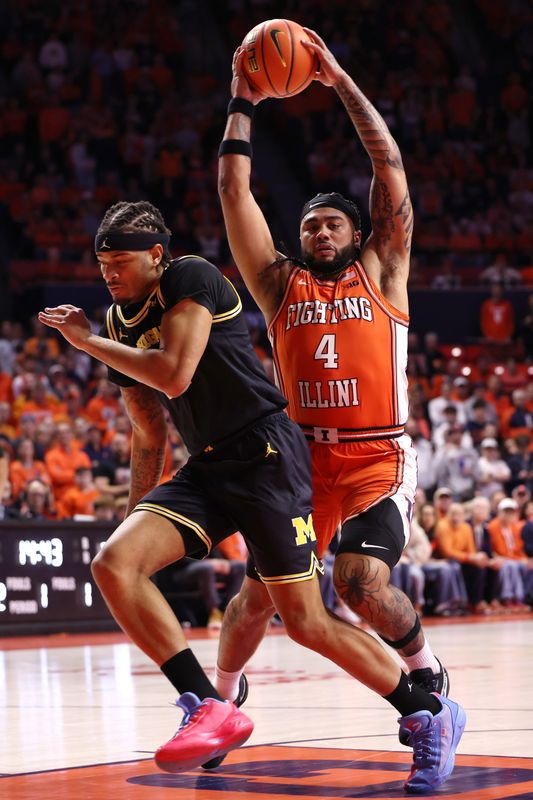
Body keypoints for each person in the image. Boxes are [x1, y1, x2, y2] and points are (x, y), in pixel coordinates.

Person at [39, 199, 465, 792]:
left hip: (266, 457)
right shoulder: (116, 322)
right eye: (102, 264)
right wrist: (139, 512)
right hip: (210, 465)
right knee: (115, 562)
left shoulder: (190, 276)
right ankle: (208, 706)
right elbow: (149, 429)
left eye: (120, 263)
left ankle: (428, 711)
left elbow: (173, 375)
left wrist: (85, 341)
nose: (109, 274)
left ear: (156, 256)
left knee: (305, 623)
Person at [216, 30, 465, 788]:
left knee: (357, 582)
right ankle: (219, 701)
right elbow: (234, 194)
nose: (318, 232)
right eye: (308, 226)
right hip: (301, 464)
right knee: (255, 599)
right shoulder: (277, 285)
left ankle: (426, 674)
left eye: (331, 223)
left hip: (375, 459)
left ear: (358, 234)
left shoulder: (383, 271)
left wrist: (336, 79)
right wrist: (241, 99)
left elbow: (387, 164)